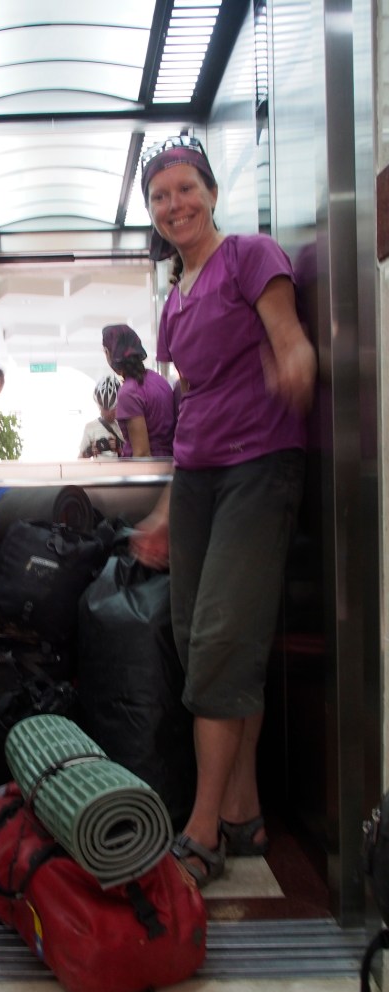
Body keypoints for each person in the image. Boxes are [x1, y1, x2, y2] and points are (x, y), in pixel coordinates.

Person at [131, 135, 317, 888]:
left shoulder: (249, 255)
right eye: (160, 196)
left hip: (259, 469)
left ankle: (202, 829)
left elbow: (289, 339)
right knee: (202, 641)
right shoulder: (174, 300)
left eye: (186, 188)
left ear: (209, 192)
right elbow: (193, 409)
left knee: (218, 644)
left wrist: (301, 363)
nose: (175, 204)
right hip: (200, 479)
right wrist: (169, 508)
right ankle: (243, 808)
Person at [101, 323, 175, 457]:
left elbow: (141, 453)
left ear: (109, 352)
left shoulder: (129, 392)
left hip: (148, 471)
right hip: (168, 463)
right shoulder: (158, 380)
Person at [78, 375, 124, 458]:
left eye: (113, 408)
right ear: (98, 405)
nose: (108, 413)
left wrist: (118, 447)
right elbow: (81, 458)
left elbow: (136, 452)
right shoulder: (90, 427)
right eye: (104, 409)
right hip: (99, 470)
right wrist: (90, 451)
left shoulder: (126, 426)